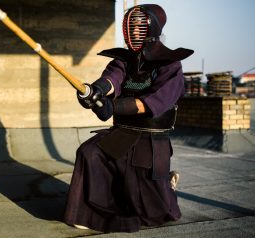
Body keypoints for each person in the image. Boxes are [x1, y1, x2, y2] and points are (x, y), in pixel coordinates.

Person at [63, 4, 193, 233]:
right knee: (89, 153)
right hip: (123, 132)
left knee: (153, 212)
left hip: (150, 141)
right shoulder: (123, 60)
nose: (133, 32)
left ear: (152, 28)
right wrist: (94, 93)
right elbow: (112, 79)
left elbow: (152, 103)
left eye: (138, 26)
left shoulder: (170, 64)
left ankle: (168, 185)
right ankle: (87, 213)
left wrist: (112, 107)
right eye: (130, 26)